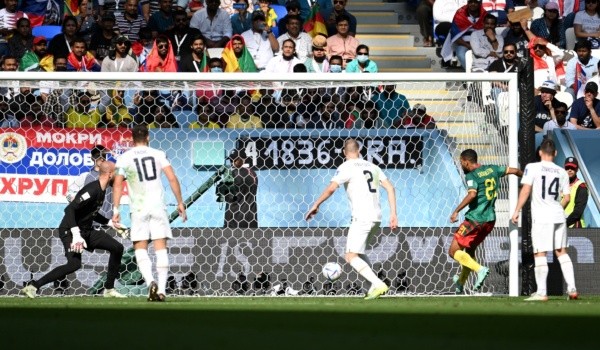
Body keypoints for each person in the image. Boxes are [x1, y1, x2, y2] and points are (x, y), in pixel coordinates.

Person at [305, 138, 397, 300]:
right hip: (377, 218)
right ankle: (371, 289)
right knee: (359, 253)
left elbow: (332, 188)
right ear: (359, 150)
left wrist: (316, 204)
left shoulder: (346, 167)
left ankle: (378, 284)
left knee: (350, 256)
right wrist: (393, 214)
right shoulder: (373, 166)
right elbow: (390, 187)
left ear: (344, 152)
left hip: (361, 217)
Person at [21, 161, 126, 299]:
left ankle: (109, 289)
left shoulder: (102, 190)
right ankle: (33, 286)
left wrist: (110, 223)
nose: (120, 178)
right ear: (110, 174)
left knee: (117, 248)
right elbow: (69, 209)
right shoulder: (92, 190)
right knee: (74, 264)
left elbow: (91, 213)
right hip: (70, 230)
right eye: (117, 174)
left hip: (86, 230)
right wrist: (76, 234)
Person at [112, 125, 187, 302]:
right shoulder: (158, 154)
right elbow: (171, 177)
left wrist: (116, 210)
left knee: (140, 247)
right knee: (160, 247)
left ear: (132, 139)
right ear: (148, 137)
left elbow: (117, 184)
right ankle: (161, 290)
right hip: (157, 206)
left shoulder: (124, 157)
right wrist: (179, 202)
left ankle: (149, 282)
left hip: (138, 208)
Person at [511, 139, 578, 301]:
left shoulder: (532, 167)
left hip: (542, 216)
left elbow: (526, 189)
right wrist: (556, 208)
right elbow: (567, 198)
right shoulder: (562, 172)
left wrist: (517, 210)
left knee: (540, 252)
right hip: (558, 215)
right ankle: (572, 289)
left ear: (540, 152)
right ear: (555, 153)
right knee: (561, 252)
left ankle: (541, 292)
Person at [450, 149, 522, 293]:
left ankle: (480, 269)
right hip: (489, 221)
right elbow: (514, 170)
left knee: (453, 251)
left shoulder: (472, 176)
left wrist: (456, 210)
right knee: (470, 252)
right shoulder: (492, 169)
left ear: (466, 161)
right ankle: (460, 283)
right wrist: (526, 179)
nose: (461, 165)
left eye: (461, 162)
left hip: (475, 219)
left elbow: (472, 194)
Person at [224, 149, 258, 228]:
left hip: (234, 221)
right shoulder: (253, 173)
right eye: (231, 160)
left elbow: (228, 198)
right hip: (251, 220)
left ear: (242, 159)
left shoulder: (233, 174)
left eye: (234, 160)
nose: (232, 163)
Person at [564, 157, 588, 228]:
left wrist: (563, 224)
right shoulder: (561, 185)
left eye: (572, 168)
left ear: (577, 169)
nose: (570, 170)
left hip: (575, 227)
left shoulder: (581, 186)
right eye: (567, 168)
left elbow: (578, 212)